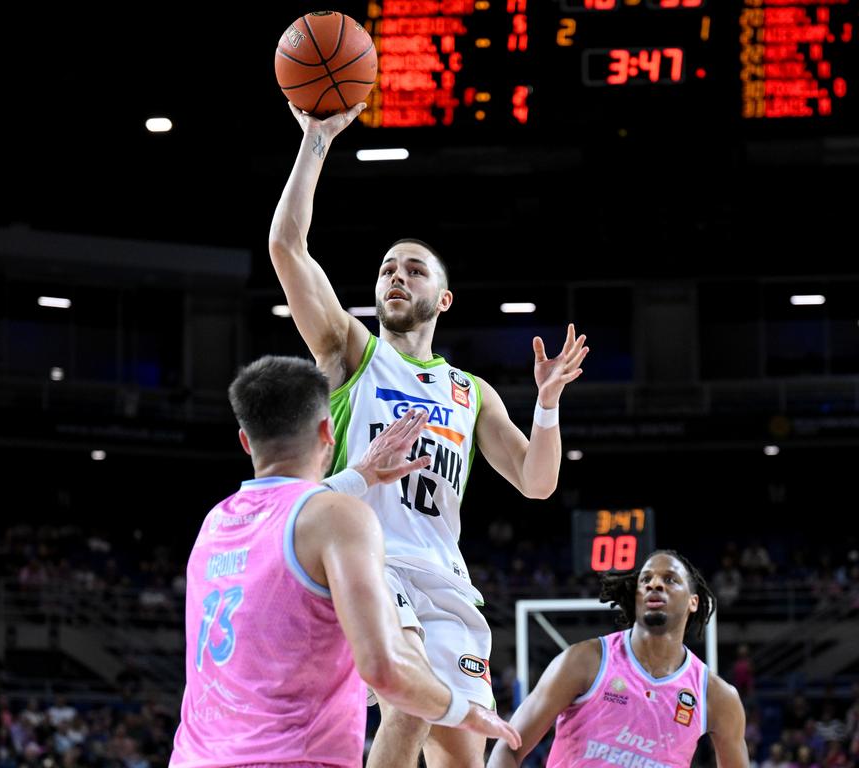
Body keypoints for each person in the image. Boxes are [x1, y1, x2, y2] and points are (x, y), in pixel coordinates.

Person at [268, 101, 588, 766]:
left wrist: (548, 403)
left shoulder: (470, 393)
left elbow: (537, 482)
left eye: (413, 269)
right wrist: (317, 140)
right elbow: (287, 248)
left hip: (444, 579)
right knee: (411, 704)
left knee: (462, 754)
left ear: (443, 298)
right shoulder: (351, 352)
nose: (396, 275)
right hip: (365, 561)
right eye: (388, 267)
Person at [169, 355, 520, 767]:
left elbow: (289, 510)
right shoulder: (337, 517)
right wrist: (465, 711)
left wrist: (362, 474)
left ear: (245, 440)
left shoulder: (216, 523)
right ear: (327, 431)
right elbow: (385, 668)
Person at [488, 550, 748, 768]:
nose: (654, 584)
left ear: (693, 602)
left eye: (670, 579)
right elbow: (507, 749)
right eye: (645, 579)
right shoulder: (584, 662)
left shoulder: (717, 697)